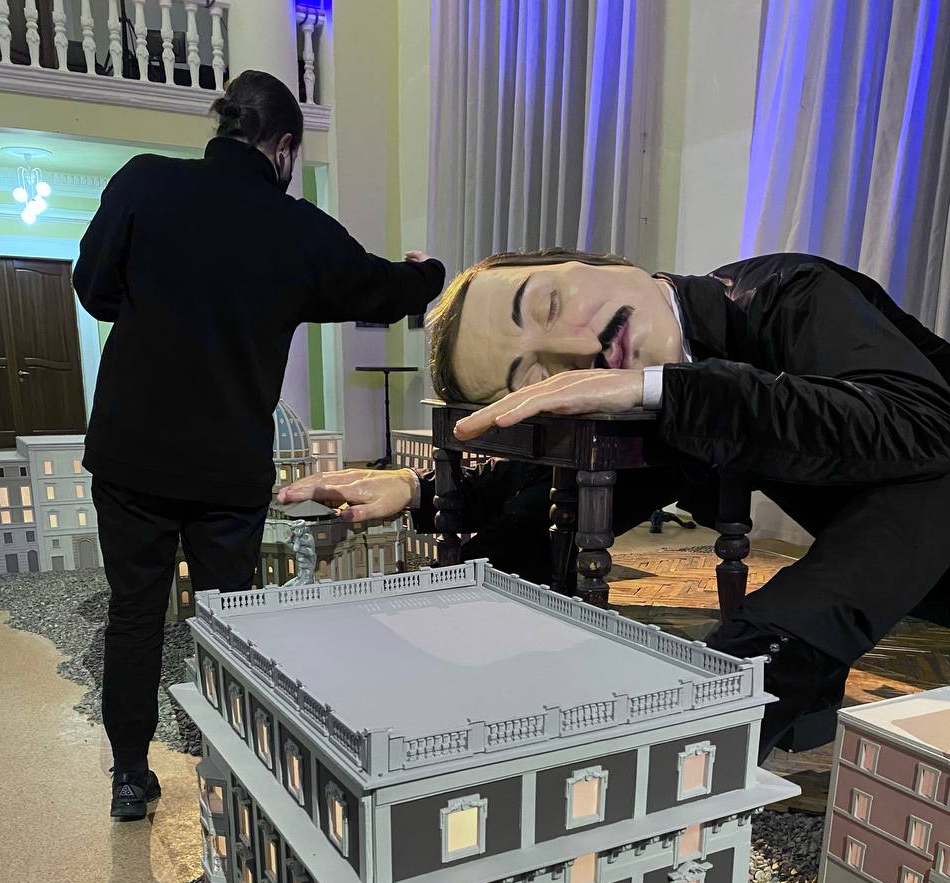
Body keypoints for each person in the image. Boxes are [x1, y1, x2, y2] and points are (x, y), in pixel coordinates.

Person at [277, 249, 950, 760]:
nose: (576, 348)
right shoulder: (659, 369)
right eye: (539, 377)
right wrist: (416, 488)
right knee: (588, 484)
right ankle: (445, 653)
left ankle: (735, 690)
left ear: (594, 259)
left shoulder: (787, 292)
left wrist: (658, 388)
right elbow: (552, 471)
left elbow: (925, 426)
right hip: (905, 555)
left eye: (546, 305)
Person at [74, 70, 444, 818]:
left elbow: (94, 288)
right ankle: (232, 761)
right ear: (283, 148)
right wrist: (427, 275)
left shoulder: (144, 182)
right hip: (224, 469)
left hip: (130, 453)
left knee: (134, 615)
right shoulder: (294, 227)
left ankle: (130, 777)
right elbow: (378, 289)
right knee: (228, 618)